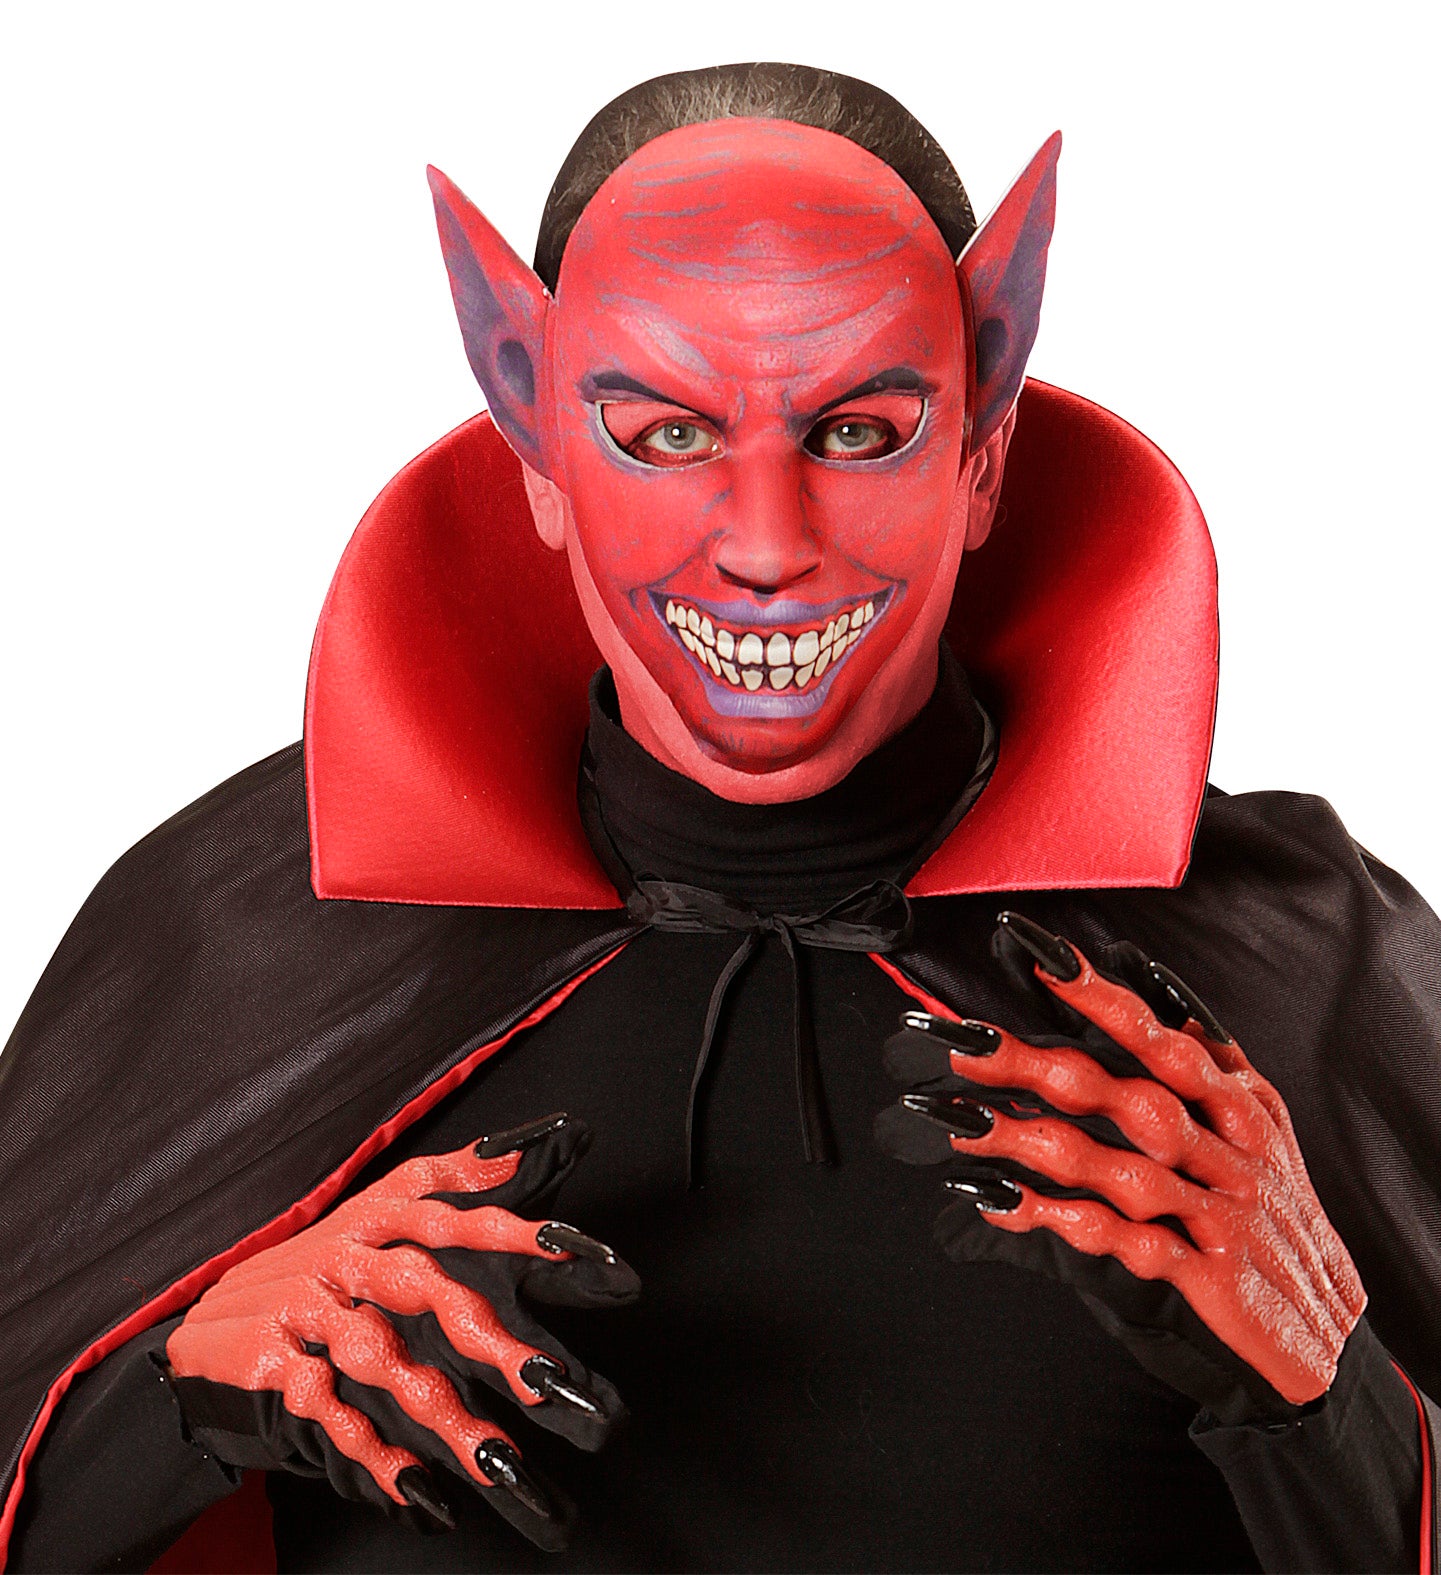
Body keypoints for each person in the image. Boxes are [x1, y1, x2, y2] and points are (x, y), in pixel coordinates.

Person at [2, 61, 1437, 1574]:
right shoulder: (251, 933)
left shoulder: (1293, 956)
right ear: (537, 447)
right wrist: (166, 1400)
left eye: (859, 432)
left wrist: (1326, 1395)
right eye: (667, 434)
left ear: (982, 454)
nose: (764, 545)